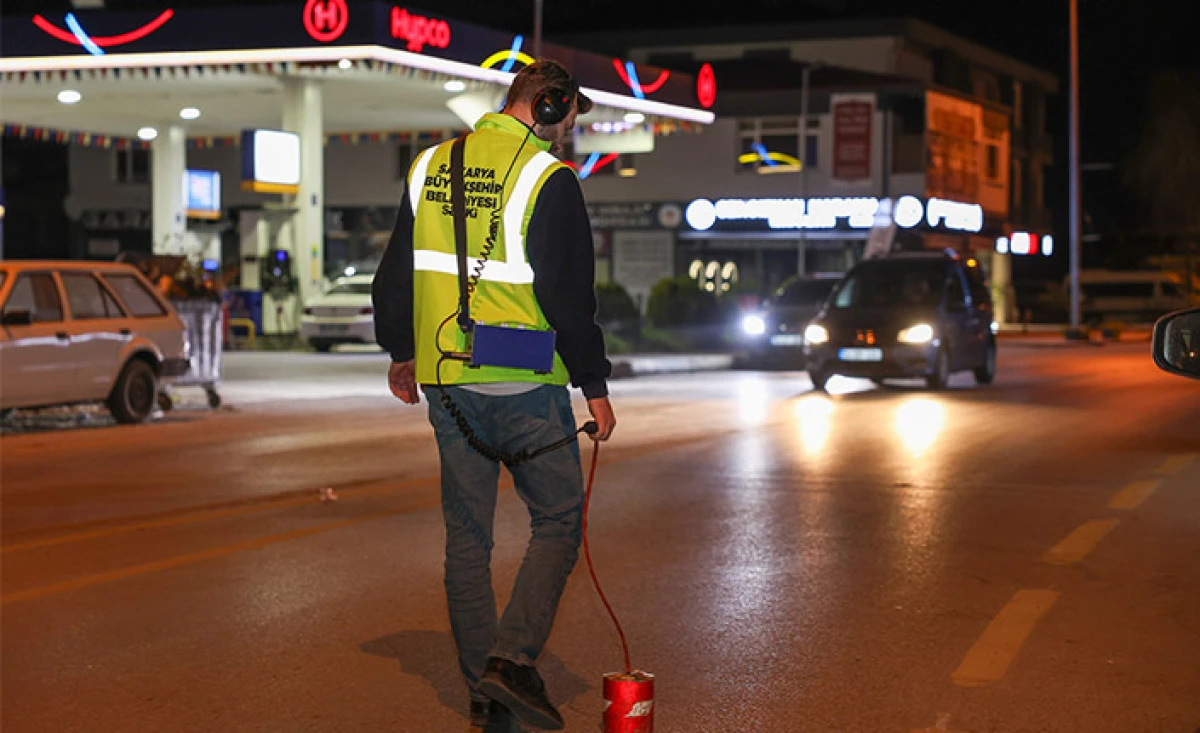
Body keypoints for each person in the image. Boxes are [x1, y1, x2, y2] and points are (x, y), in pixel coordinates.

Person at [371, 59, 616, 731]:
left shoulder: (429, 167)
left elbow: (395, 272)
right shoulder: (549, 178)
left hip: (446, 382)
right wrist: (594, 385)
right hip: (524, 381)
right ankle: (510, 661)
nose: (569, 130)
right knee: (560, 518)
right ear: (548, 105)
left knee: (468, 537)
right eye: (567, 115)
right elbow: (569, 297)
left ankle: (484, 692)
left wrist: (399, 348)